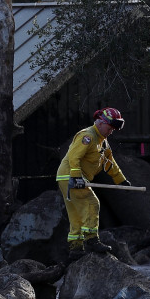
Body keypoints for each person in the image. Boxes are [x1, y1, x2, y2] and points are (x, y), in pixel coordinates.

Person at [56, 107, 131, 255]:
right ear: (101, 123)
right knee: (92, 203)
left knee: (76, 213)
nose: (111, 132)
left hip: (65, 176)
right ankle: (92, 240)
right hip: (71, 175)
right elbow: (73, 157)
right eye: (110, 128)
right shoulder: (88, 136)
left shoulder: (103, 142)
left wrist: (120, 180)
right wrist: (77, 177)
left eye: (113, 130)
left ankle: (76, 248)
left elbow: (109, 162)